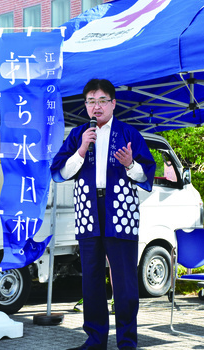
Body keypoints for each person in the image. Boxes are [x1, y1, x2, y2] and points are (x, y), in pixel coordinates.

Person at [51, 79, 156, 350]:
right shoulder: (78, 134)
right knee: (92, 278)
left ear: (113, 103)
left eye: (101, 101)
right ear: (85, 105)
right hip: (88, 209)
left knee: (124, 281)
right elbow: (61, 172)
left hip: (120, 210)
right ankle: (95, 340)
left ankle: (127, 342)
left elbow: (146, 174)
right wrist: (82, 149)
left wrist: (129, 164)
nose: (96, 106)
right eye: (90, 101)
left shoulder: (129, 134)